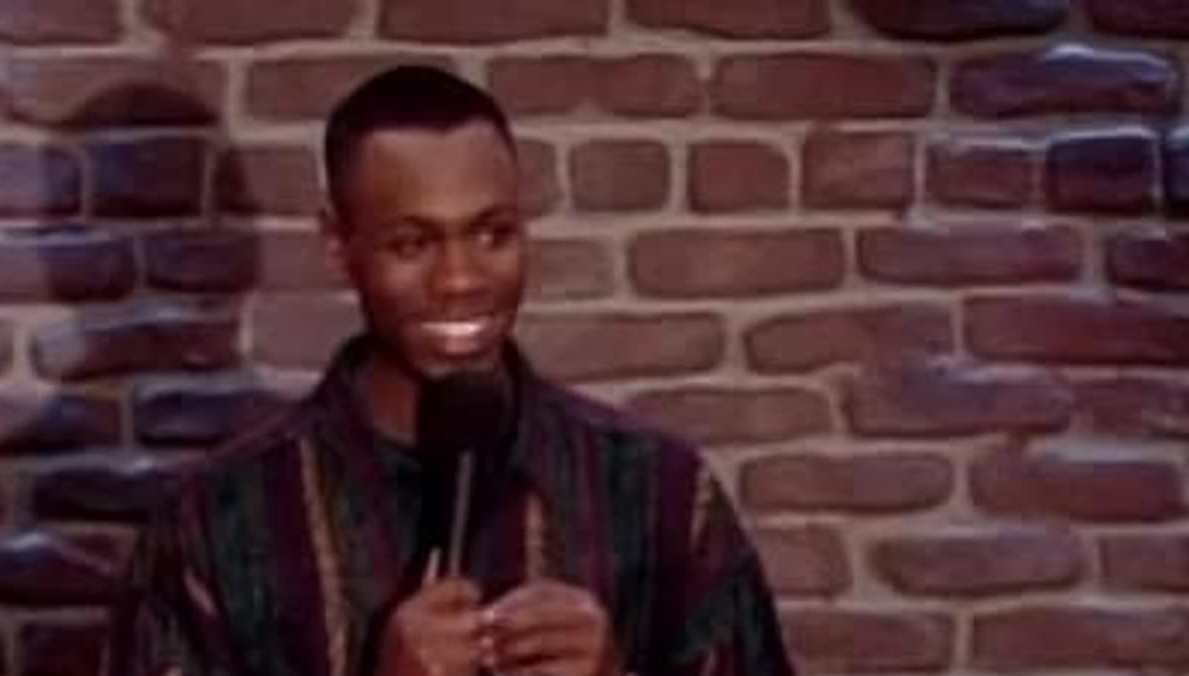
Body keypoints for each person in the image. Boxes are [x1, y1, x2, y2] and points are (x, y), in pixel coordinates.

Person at [107, 65, 795, 676]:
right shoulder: (217, 525)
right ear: (339, 245)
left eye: (493, 233)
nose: (461, 280)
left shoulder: (660, 495)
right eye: (412, 244)